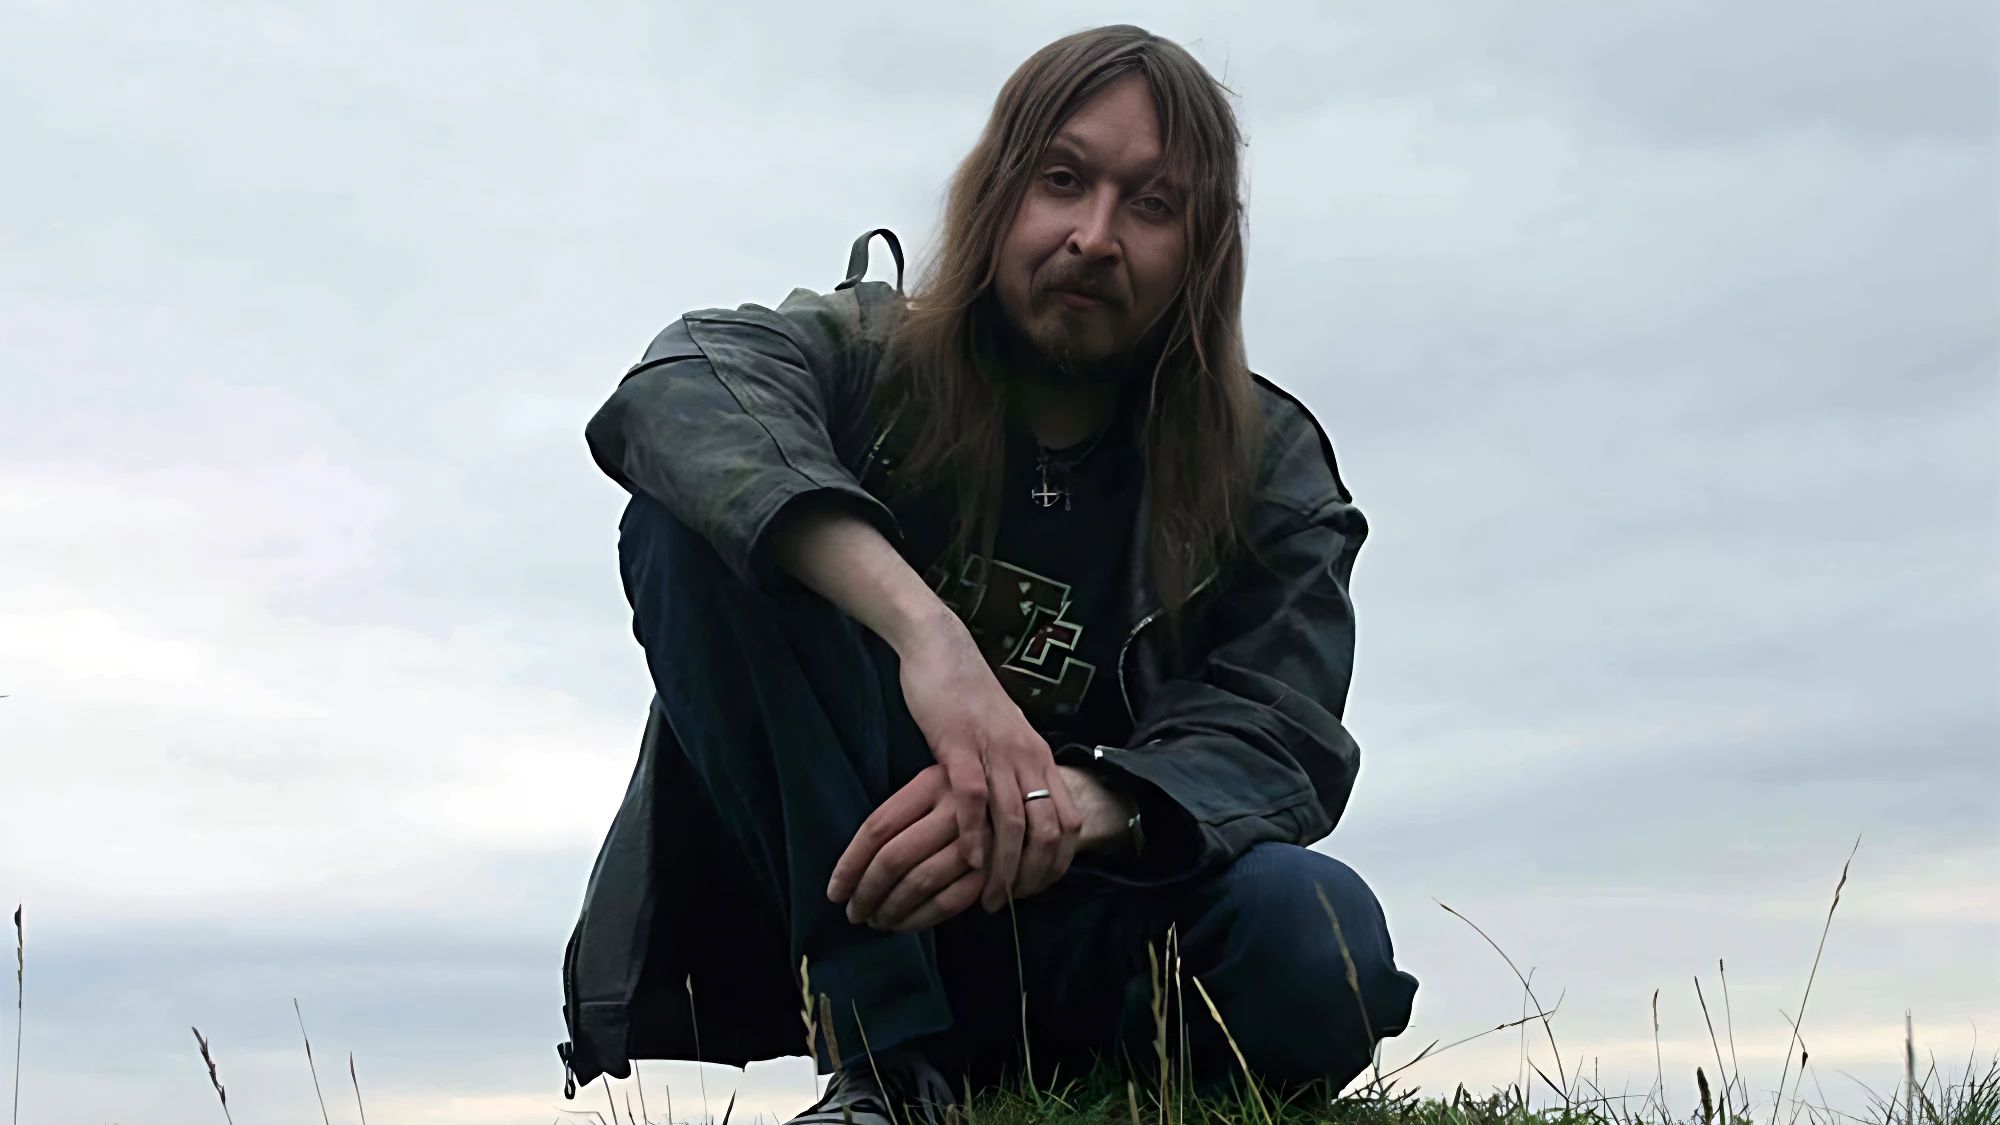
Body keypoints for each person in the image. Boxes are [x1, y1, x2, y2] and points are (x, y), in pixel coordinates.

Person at [557, 24, 1418, 1124]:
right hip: (854, 893)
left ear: (1201, 249)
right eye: (1062, 180)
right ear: (997, 192)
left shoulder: (1267, 467)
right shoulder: (867, 360)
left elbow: (1280, 734)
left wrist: (1074, 802)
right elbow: (681, 385)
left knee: (1319, 932)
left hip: (1101, 924)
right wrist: (932, 641)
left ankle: (1106, 1078)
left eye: (1153, 205)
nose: (1093, 236)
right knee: (687, 522)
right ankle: (886, 1064)